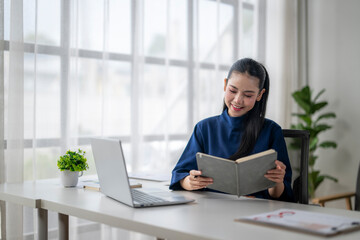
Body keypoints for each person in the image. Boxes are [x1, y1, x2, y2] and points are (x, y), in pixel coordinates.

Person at [169, 58, 294, 202]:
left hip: (257, 211)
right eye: (232, 90)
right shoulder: (204, 128)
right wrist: (189, 182)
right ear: (225, 85)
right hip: (211, 210)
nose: (237, 100)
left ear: (260, 95)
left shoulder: (272, 131)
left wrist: (276, 182)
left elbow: (282, 195)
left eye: (248, 95)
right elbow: (179, 176)